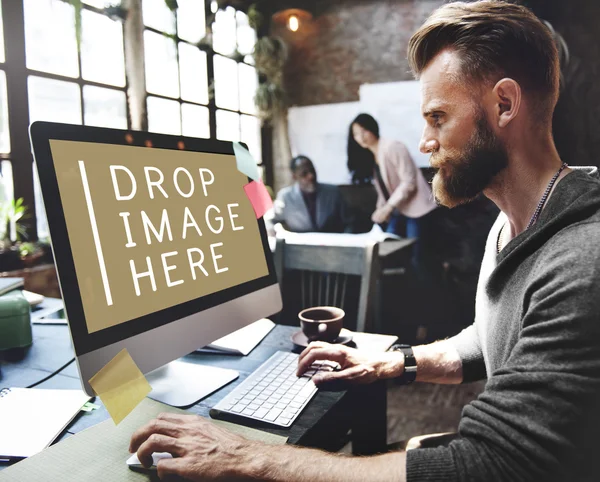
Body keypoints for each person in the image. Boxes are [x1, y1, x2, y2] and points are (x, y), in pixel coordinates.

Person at [129, 2, 600, 481]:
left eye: (438, 117)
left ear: (504, 104)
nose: (424, 141)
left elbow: (486, 464)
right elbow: (490, 339)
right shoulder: (511, 224)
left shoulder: (581, 261)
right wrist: (393, 362)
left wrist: (249, 458)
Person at [348, 114, 439, 279]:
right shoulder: (371, 155)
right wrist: (380, 209)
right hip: (399, 210)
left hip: (417, 209)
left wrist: (388, 208)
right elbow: (384, 189)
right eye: (356, 134)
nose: (360, 137)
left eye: (364, 131)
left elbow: (409, 182)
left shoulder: (392, 147)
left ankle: (425, 295)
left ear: (372, 128)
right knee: (388, 253)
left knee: (417, 259)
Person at [269, 155, 354, 234]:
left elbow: (350, 222)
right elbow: (270, 220)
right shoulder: (285, 197)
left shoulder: (333, 192)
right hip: (300, 247)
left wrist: (345, 240)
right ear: (294, 177)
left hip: (332, 245)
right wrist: (273, 231)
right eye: (304, 173)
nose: (311, 176)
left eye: (312, 170)